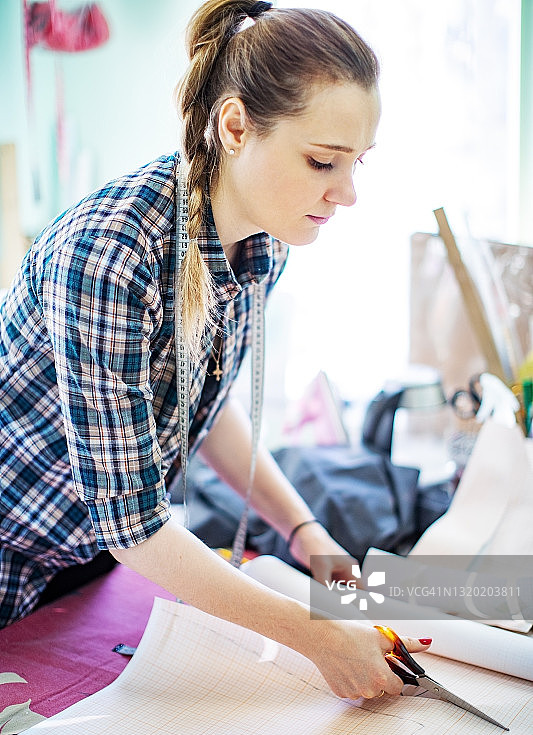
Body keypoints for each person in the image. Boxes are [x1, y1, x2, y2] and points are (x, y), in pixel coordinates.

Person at [0, 0, 430, 699]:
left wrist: (303, 530)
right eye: (323, 160)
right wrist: (318, 635)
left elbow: (199, 405)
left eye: (357, 163)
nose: (346, 193)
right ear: (234, 126)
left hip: (86, 556)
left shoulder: (262, 239)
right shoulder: (108, 258)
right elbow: (135, 527)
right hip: (15, 553)